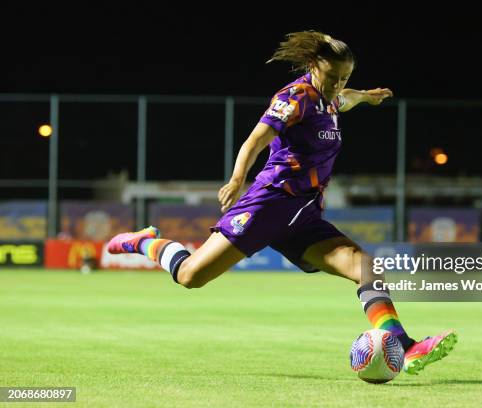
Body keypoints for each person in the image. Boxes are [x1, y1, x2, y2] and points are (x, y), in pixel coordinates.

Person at [108, 31, 457, 373]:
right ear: (312, 65)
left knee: (365, 267)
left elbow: (344, 99)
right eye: (332, 76)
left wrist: (366, 95)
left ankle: (406, 345)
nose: (337, 84)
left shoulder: (330, 97)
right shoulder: (295, 97)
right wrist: (236, 179)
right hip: (269, 203)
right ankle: (144, 241)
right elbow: (256, 139)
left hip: (303, 215)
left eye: (344, 77)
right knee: (190, 276)